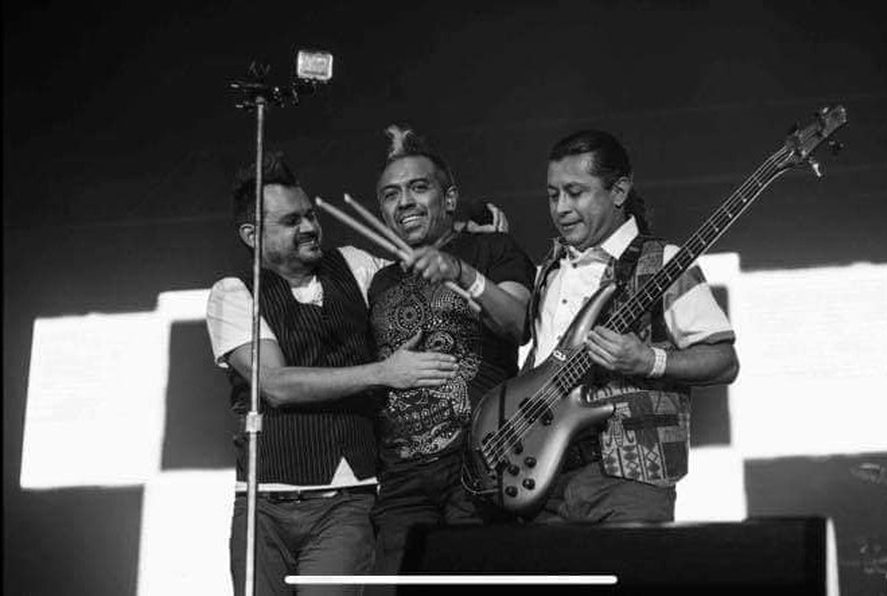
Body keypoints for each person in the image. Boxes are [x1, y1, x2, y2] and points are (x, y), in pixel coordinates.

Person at [205, 151, 462, 596]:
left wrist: (466, 228)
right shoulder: (233, 294)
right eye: (291, 221)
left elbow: (420, 273)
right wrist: (383, 373)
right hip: (263, 508)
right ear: (251, 234)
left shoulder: (354, 265)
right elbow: (276, 385)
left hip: (348, 500)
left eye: (310, 215)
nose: (309, 227)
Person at [523, 129, 739, 524]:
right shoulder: (549, 271)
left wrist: (649, 360)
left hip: (631, 482)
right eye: (553, 195)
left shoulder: (666, 262)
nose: (561, 208)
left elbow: (724, 360)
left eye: (575, 192)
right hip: (546, 479)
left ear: (619, 191)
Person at [365, 125, 537, 577]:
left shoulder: (493, 248)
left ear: (450, 198)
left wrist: (460, 271)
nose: (404, 202)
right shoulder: (381, 281)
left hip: (481, 465)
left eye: (418, 188)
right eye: (390, 195)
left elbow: (518, 324)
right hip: (402, 481)